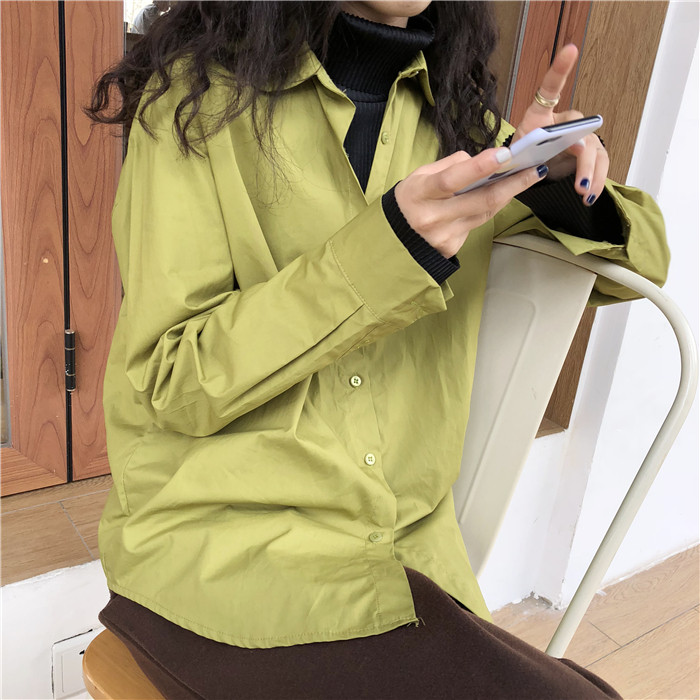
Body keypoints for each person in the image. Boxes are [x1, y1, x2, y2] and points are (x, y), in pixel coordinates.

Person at [87, 1, 669, 697]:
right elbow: (172, 380)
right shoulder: (196, 100)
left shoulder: (459, 124)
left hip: (404, 558)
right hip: (224, 556)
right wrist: (385, 252)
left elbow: (645, 261)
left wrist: (558, 186)